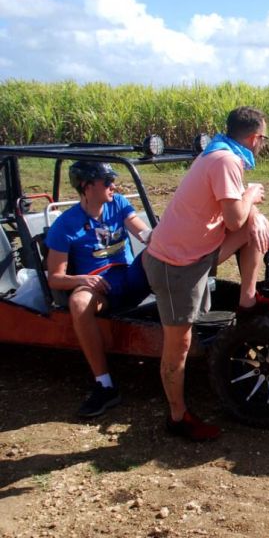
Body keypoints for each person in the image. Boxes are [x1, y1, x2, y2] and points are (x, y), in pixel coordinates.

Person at [142, 105, 269, 441]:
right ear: (253, 137)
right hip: (175, 264)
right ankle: (177, 417)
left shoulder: (220, 154)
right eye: (263, 138)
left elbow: (237, 217)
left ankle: (248, 299)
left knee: (254, 224)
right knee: (179, 345)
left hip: (197, 252)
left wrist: (256, 215)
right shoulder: (225, 161)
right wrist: (252, 198)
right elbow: (235, 218)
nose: (262, 144)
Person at [46, 161, 153, 418]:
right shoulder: (65, 225)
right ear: (87, 186)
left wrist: (162, 237)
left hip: (129, 278)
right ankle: (105, 385)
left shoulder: (117, 205)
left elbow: (144, 234)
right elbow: (55, 278)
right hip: (101, 290)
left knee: (155, 252)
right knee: (79, 303)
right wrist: (83, 280)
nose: (113, 186)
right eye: (107, 182)